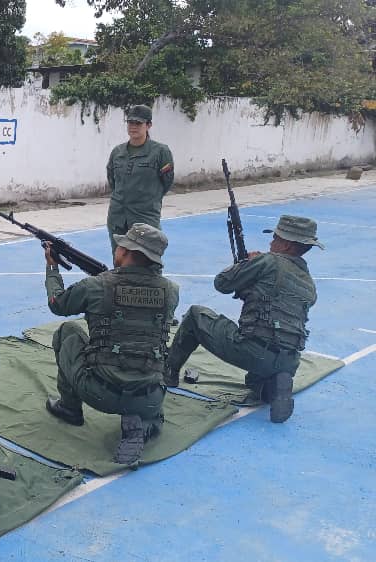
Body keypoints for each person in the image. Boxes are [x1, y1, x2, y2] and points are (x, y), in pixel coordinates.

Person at [44, 223, 179, 465]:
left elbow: (58, 304)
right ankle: (143, 424)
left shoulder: (97, 285)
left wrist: (52, 267)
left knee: (68, 332)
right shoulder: (171, 291)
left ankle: (70, 408)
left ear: (126, 251)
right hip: (149, 394)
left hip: (101, 392)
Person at [165, 215, 321, 423]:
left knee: (195, 315)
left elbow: (222, 283)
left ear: (286, 244)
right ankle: (276, 384)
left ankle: (168, 372)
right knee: (255, 383)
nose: (271, 242)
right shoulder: (309, 284)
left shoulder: (268, 261)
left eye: (275, 238)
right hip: (289, 360)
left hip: (254, 350)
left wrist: (247, 262)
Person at [106, 104, 175, 254]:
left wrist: (147, 198)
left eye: (138, 123)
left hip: (145, 217)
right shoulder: (118, 152)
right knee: (119, 260)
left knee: (148, 261)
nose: (133, 127)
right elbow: (113, 181)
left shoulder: (160, 152)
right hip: (118, 217)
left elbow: (166, 183)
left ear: (148, 125)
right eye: (130, 122)